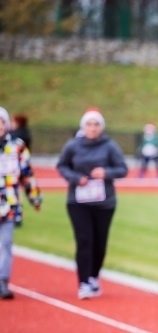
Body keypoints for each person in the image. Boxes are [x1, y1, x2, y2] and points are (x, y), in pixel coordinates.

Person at [56, 108, 128, 300]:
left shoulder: (110, 146)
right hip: (78, 201)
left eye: (96, 124)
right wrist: (76, 178)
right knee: (84, 240)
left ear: (101, 127)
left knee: (99, 242)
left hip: (104, 202)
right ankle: (84, 282)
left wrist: (106, 173)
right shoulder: (72, 146)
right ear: (83, 126)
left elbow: (122, 169)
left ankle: (94, 276)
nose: (93, 128)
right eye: (89, 124)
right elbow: (62, 166)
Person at [0, 106, 42, 299]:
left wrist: (34, 197)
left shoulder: (17, 147)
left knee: (6, 244)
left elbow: (27, 174)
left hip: (8, 205)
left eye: (1, 122)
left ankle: (2, 281)